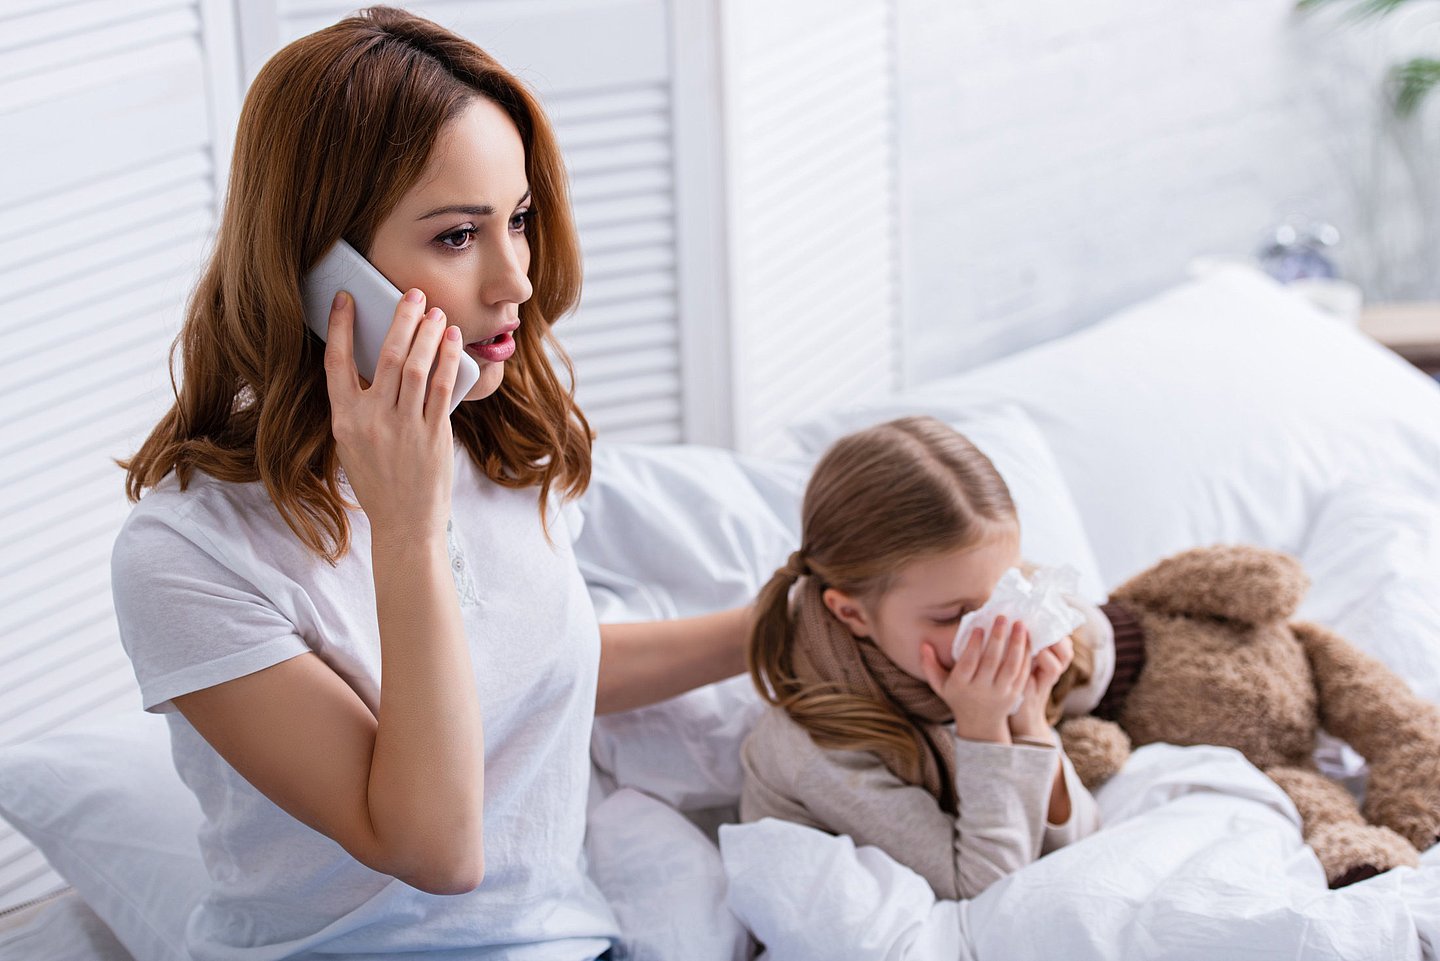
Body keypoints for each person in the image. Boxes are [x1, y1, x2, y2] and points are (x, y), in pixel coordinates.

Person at [109, 7, 747, 959]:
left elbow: (527, 671)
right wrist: (407, 526)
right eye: (457, 236)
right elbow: (437, 848)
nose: (515, 281)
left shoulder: (497, 439)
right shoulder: (186, 553)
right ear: (322, 269)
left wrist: (765, 628)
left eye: (519, 220)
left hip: (572, 942)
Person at [740, 415, 1113, 900]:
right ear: (852, 614)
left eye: (1003, 592)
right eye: (953, 616)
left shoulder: (949, 641)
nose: (990, 630)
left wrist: (1029, 724)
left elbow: (1084, 849)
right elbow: (986, 892)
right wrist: (983, 731)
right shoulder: (818, 751)